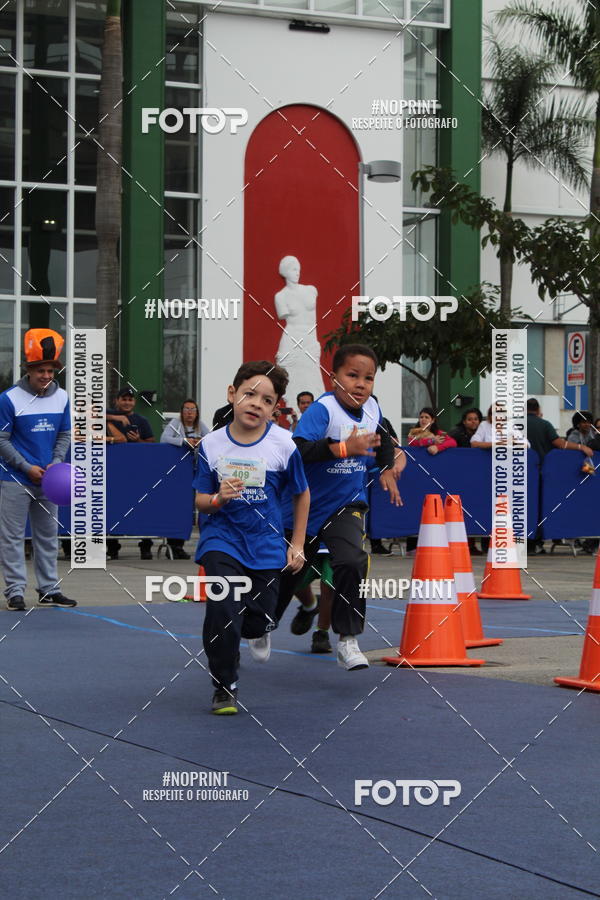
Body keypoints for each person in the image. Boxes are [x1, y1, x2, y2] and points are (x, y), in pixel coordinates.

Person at [275, 343, 401, 671]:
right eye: (352, 375)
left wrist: (387, 468)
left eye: (368, 378)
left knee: (352, 561)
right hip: (305, 508)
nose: (361, 384)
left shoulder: (373, 408)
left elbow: (384, 440)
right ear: (334, 378)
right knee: (286, 575)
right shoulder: (323, 410)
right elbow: (298, 450)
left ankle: (347, 639)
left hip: (346, 505)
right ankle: (263, 623)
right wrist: (343, 448)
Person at [194, 360, 309, 715]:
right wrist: (218, 499)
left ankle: (258, 628)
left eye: (267, 400)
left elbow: (301, 494)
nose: (256, 403)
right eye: (249, 394)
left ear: (275, 409)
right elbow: (200, 500)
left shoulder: (284, 444)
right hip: (222, 539)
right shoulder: (211, 445)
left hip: (265, 543)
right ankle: (224, 685)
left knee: (257, 620)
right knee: (223, 609)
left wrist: (297, 544)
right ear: (232, 394)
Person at [0, 329, 76, 610]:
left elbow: (64, 434)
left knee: (48, 536)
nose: (45, 376)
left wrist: (56, 461)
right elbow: (1, 439)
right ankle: (15, 592)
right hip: (15, 479)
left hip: (49, 481)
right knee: (12, 537)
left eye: (50, 371)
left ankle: (49, 588)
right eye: (40, 370)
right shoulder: (9, 399)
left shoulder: (62, 397)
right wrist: (25, 466)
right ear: (28, 370)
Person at [106, 387, 155, 560]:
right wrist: (115, 418)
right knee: (112, 508)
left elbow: (151, 443)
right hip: (113, 471)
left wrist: (137, 440)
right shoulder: (108, 415)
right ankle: (112, 547)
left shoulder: (141, 420)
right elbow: (89, 416)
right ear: (117, 401)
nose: (127, 402)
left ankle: (146, 546)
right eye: (124, 399)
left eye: (130, 399)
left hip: (136, 472)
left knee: (141, 507)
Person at [160, 399, 209, 560]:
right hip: (178, 473)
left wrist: (200, 442)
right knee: (177, 506)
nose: (189, 412)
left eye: (192, 409)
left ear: (197, 412)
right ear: (182, 411)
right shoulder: (176, 423)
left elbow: (210, 439)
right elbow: (164, 438)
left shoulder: (200, 425)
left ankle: (180, 545)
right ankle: (174, 544)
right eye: (186, 409)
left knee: (190, 507)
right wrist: (184, 441)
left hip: (195, 471)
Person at [275, 256, 325, 405]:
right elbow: (283, 315)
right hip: (292, 337)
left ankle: (315, 411)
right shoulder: (281, 296)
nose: (297, 273)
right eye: (293, 269)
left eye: (298, 269)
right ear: (285, 272)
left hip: (309, 338)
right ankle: (293, 411)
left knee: (313, 378)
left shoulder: (310, 290)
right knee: (291, 378)